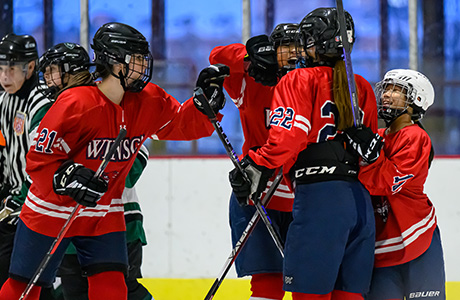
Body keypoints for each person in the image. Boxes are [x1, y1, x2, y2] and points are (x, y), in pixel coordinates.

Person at [0, 22, 228, 300]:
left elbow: (181, 123)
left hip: (103, 212)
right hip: (51, 210)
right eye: (136, 59)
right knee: (23, 288)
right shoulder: (76, 103)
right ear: (115, 62)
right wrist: (64, 175)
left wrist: (204, 105)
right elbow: (39, 158)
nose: (143, 65)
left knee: (113, 290)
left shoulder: (148, 101)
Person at [229, 8, 381, 300]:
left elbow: (288, 138)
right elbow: (369, 155)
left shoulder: (298, 79)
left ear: (317, 44)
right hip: (359, 204)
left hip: (319, 199)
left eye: (307, 40)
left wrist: (256, 164)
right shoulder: (361, 86)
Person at [34, 42, 153, 300]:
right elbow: (39, 164)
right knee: (74, 290)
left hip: (117, 218)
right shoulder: (51, 110)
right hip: (67, 220)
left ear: (69, 72)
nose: (46, 79)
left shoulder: (112, 101)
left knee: (125, 290)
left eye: (53, 70)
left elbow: (138, 152)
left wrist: (105, 176)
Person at [209, 23, 298, 300]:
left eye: (298, 46)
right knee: (267, 284)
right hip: (257, 190)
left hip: (303, 196)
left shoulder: (310, 83)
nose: (293, 53)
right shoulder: (250, 80)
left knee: (306, 282)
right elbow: (216, 57)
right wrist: (249, 56)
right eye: (285, 46)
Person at [346, 69, 446, 300]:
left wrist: (371, 157)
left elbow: (386, 182)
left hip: (415, 236)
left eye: (397, 91)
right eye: (386, 88)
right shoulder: (377, 136)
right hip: (381, 243)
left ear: (416, 100)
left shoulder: (415, 137)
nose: (386, 95)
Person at [0, 33, 55, 299]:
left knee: (27, 282)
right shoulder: (3, 101)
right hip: (11, 206)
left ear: (31, 67)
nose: (4, 76)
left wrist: (18, 201)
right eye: (0, 68)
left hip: (35, 208)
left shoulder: (41, 103)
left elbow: (44, 163)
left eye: (11, 68)